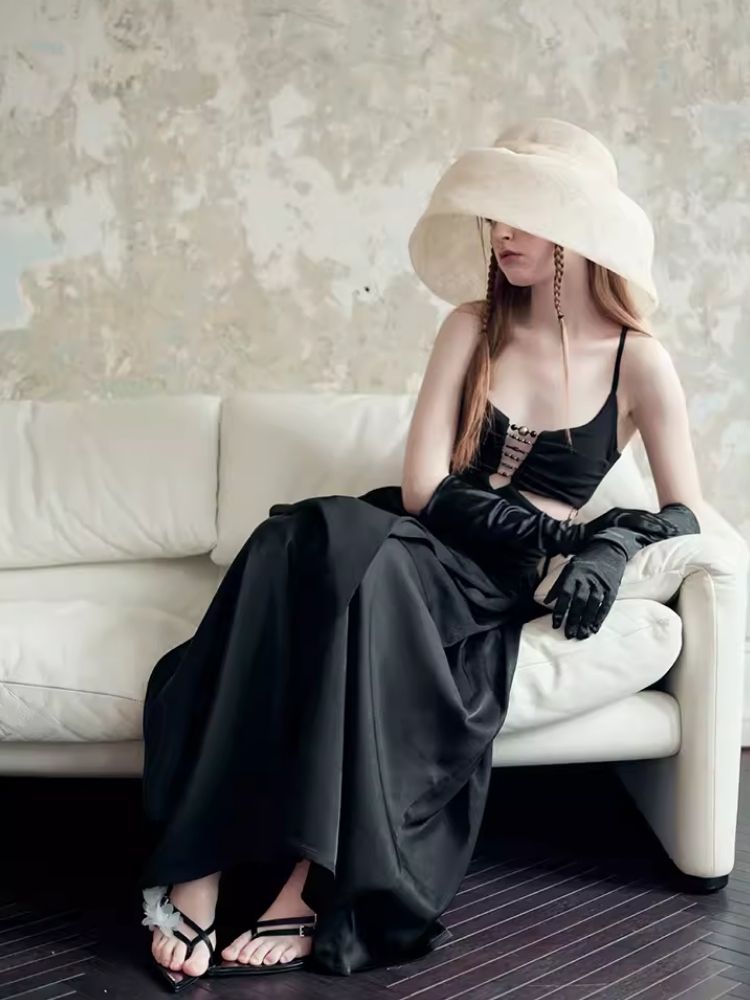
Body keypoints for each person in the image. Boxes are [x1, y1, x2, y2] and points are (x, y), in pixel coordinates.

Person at [137, 117, 704, 993]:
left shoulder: (639, 362)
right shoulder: (472, 326)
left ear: (578, 229)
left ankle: (312, 883)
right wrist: (564, 536)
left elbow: (685, 510)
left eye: (522, 215)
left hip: (480, 584)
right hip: (415, 536)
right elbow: (420, 488)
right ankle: (198, 869)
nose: (501, 233)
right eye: (494, 215)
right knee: (290, 538)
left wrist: (613, 542)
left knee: (368, 574)